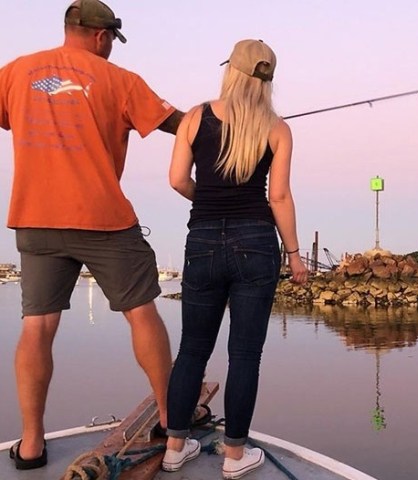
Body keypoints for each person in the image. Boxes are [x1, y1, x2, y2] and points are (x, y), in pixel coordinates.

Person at [0, 0, 184, 470]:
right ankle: (168, 419)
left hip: (35, 217)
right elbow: (176, 125)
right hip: (102, 217)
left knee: (37, 327)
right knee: (142, 313)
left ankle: (31, 444)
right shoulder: (120, 80)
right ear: (103, 37)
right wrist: (222, 124)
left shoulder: (16, 72)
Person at [161, 39, 308, 478]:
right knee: (245, 354)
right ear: (268, 79)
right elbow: (278, 196)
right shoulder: (278, 129)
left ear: (231, 69)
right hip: (256, 242)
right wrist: (295, 255)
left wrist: (205, 199)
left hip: (202, 240)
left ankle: (174, 447)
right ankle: (235, 456)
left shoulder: (194, 117)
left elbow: (176, 180)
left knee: (191, 350)